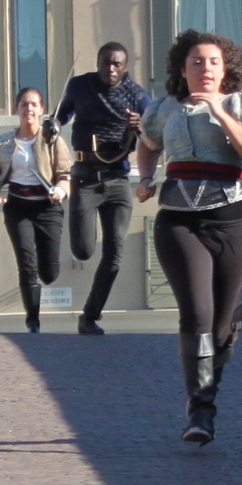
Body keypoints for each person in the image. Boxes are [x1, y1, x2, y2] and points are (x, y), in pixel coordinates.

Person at [137, 30, 242, 444]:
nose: (206, 69)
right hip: (179, 221)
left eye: (214, 62)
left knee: (220, 325)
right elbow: (148, 145)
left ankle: (207, 394)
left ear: (225, 68)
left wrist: (220, 112)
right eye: (196, 62)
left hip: (232, 223)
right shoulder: (164, 109)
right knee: (196, 312)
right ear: (183, 70)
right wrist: (145, 178)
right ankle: (200, 410)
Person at [56, 42, 154, 334]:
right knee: (83, 251)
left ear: (125, 67)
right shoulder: (79, 86)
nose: (111, 69)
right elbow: (61, 116)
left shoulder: (138, 96)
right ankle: (82, 251)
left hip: (118, 181)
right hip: (85, 178)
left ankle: (90, 316)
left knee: (115, 253)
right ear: (98, 62)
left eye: (117, 64)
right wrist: (51, 125)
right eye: (106, 62)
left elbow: (154, 139)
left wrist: (140, 126)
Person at [0, 87, 73, 332]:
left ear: (41, 109)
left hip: (47, 208)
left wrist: (60, 191)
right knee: (27, 264)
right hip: (18, 207)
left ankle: (47, 277)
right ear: (17, 109)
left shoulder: (51, 139)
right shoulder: (4, 141)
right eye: (24, 104)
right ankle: (33, 321)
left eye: (34, 104)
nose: (29, 109)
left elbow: (66, 174)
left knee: (49, 273)